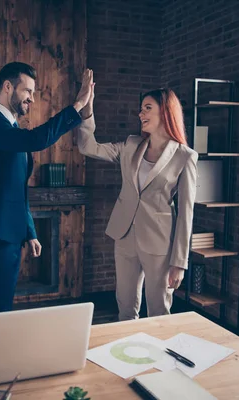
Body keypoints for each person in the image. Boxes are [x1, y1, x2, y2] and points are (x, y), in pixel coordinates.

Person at [0, 62, 93, 314]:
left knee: (1, 307)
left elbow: (17, 190)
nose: (32, 99)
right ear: (7, 86)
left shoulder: (11, 129)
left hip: (10, 235)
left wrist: (30, 230)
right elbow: (36, 139)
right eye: (27, 91)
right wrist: (76, 106)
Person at [76, 82, 197, 320]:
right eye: (141, 109)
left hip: (159, 244)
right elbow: (88, 147)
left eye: (147, 108)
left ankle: (157, 356)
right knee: (125, 307)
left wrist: (179, 262)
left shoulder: (185, 156)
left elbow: (186, 212)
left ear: (165, 111)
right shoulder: (132, 145)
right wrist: (87, 110)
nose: (141, 113)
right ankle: (127, 355)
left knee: (159, 311)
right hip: (124, 237)